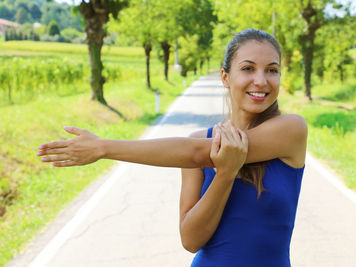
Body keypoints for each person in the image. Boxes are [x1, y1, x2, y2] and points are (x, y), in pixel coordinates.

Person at [37, 28, 307, 267]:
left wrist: (104, 148)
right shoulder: (200, 137)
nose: (261, 80)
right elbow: (190, 240)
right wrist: (224, 176)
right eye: (248, 68)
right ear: (225, 77)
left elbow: (196, 153)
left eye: (272, 70)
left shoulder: (291, 130)